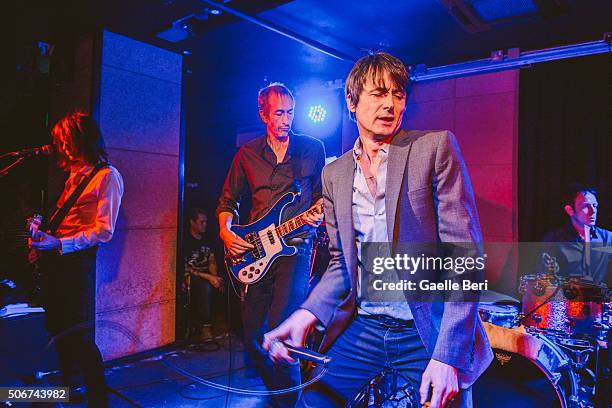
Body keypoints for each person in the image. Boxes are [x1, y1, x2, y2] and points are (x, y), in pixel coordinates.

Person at [263, 52, 493, 408]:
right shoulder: (334, 174)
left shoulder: (433, 148)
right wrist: (305, 314)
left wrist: (447, 357)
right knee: (312, 403)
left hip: (426, 329)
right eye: (378, 93)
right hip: (366, 327)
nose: (390, 104)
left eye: (398, 94)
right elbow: (342, 262)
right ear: (352, 102)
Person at [216, 83, 325, 406]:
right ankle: (279, 393)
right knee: (252, 336)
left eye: (290, 112)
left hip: (296, 245)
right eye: (279, 113)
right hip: (255, 249)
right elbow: (227, 200)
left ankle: (288, 403)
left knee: (281, 333)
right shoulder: (247, 154)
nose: (286, 120)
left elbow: (322, 197)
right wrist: (225, 231)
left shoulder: (311, 149)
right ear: (263, 114)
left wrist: (319, 214)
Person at [29, 112, 124, 407]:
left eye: (68, 140)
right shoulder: (71, 175)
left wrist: (61, 243)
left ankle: (98, 401)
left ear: (83, 139)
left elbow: (104, 230)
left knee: (78, 336)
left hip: (76, 263)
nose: (64, 147)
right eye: (60, 142)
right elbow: (65, 218)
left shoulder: (107, 176)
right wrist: (40, 230)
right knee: (57, 332)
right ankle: (67, 394)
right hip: (55, 262)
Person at [542, 184, 611, 284]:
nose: (593, 211)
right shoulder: (554, 239)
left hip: (600, 297)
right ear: (570, 210)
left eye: (595, 205)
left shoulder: (608, 238)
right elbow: (543, 278)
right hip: (566, 297)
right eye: (586, 206)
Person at [183, 208, 223, 341]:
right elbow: (186, 268)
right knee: (204, 287)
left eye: (206, 222)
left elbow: (211, 260)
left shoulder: (208, 239)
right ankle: (205, 328)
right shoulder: (185, 241)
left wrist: (215, 276)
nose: (205, 225)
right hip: (192, 276)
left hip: (206, 274)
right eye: (202, 222)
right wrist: (210, 278)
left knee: (223, 281)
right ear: (192, 222)